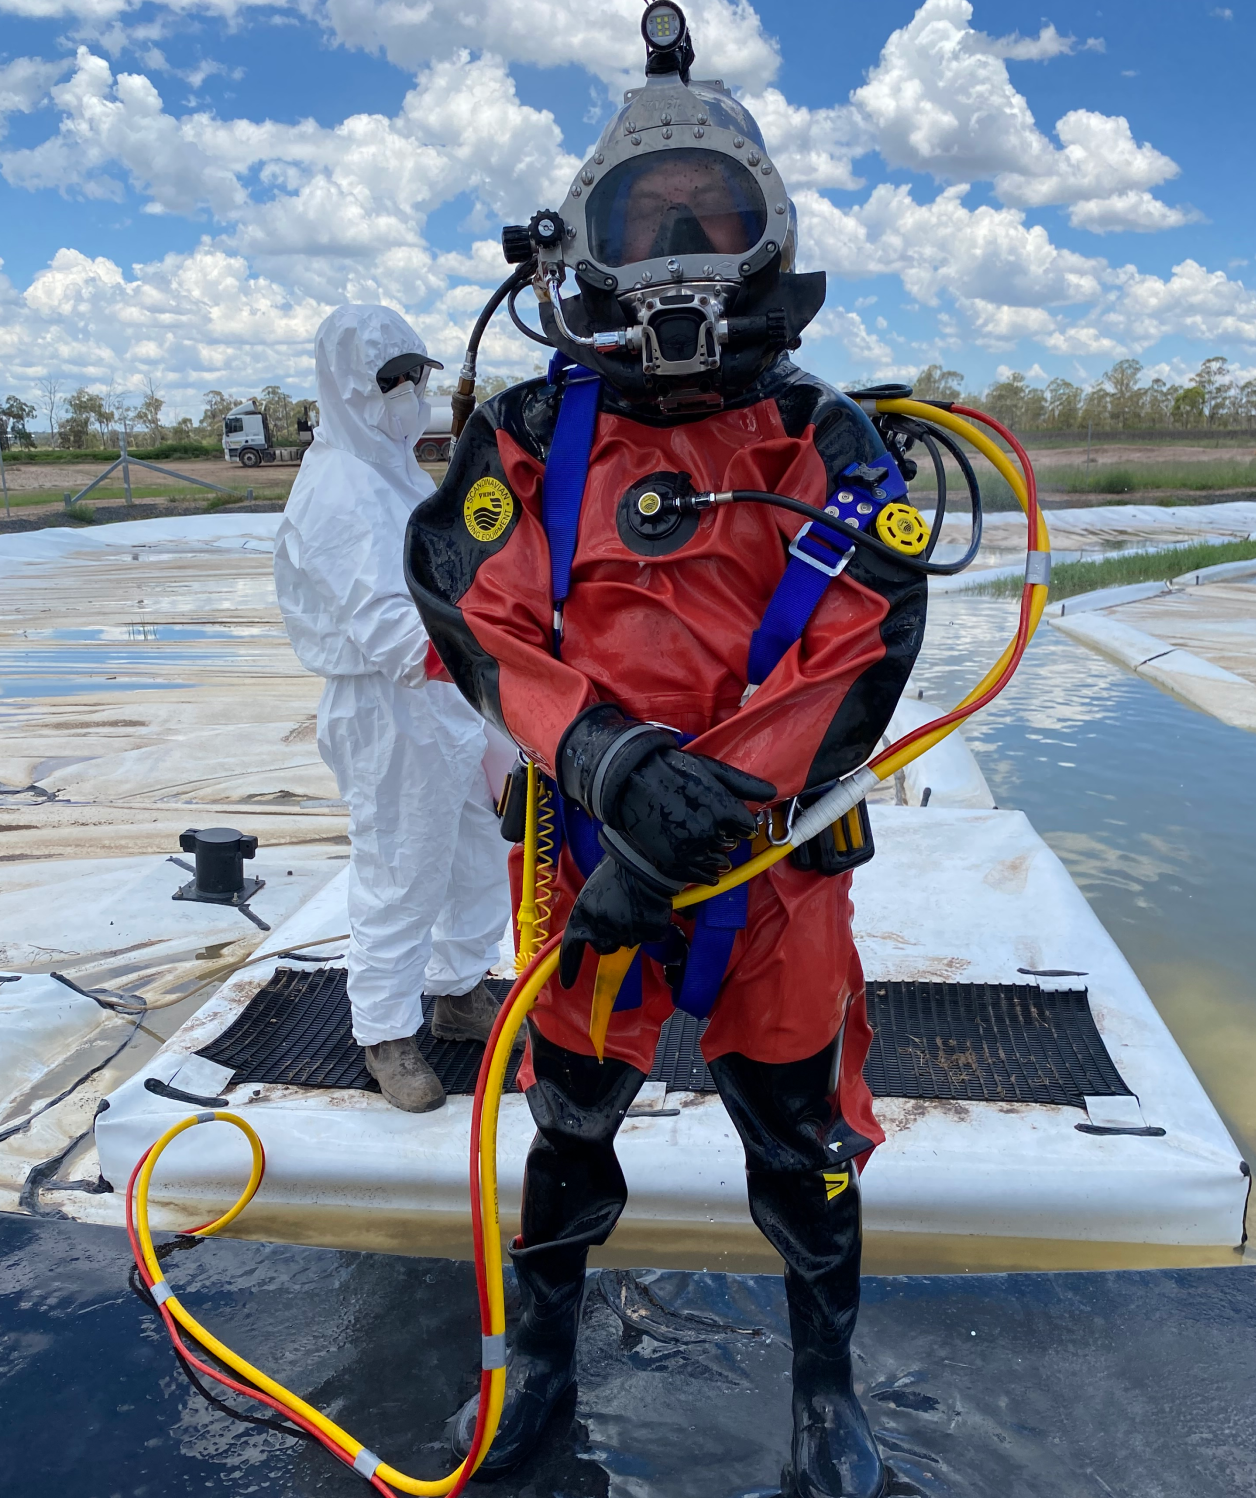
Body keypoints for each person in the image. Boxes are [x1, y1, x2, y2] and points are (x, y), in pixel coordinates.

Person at [406, 8, 924, 1492]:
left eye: (718, 212)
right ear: (586, 245)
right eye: (655, 214)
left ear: (769, 239)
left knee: (805, 1146)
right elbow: (471, 606)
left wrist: (712, 811)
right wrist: (616, 769)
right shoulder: (522, 437)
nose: (689, 240)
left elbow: (868, 636)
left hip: (778, 879)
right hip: (588, 859)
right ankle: (539, 1368)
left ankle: (827, 1396)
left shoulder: (831, 438)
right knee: (569, 1123)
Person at [275, 304, 511, 1113]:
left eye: (418, 377)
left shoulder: (398, 471)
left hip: (450, 698)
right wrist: (514, 667)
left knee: (477, 853)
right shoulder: (337, 488)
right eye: (390, 381)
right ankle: (383, 1032)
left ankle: (457, 991)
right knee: (401, 871)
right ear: (346, 388)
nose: (409, 395)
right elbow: (393, 633)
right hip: (389, 707)